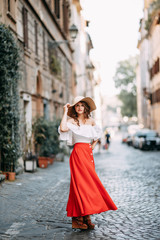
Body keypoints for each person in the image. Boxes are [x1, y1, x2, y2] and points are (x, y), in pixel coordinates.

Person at [58, 96, 117, 230]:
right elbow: (62, 129)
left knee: (90, 185)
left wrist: (92, 146)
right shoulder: (71, 120)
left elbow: (98, 135)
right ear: (74, 108)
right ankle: (80, 218)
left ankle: (85, 216)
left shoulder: (91, 121)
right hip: (77, 154)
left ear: (86, 108)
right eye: (77, 105)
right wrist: (64, 112)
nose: (79, 107)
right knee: (80, 185)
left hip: (88, 154)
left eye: (82, 105)